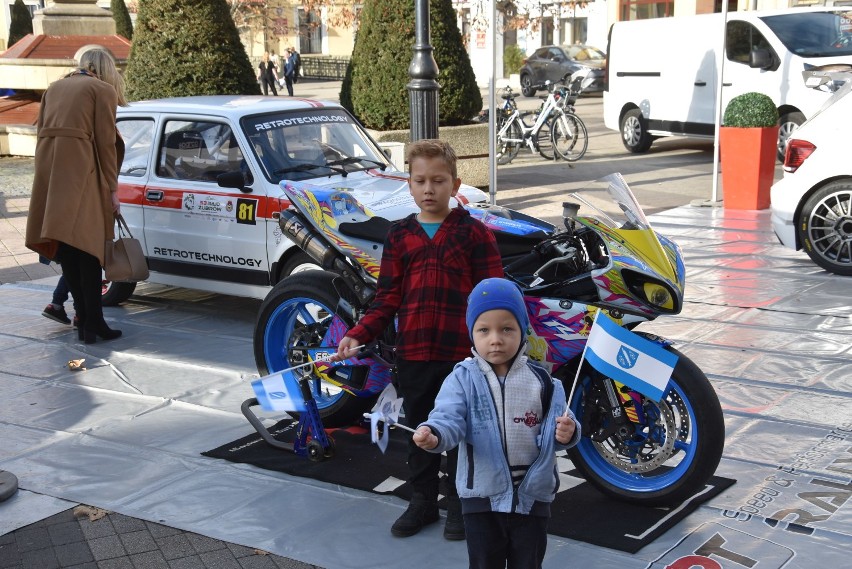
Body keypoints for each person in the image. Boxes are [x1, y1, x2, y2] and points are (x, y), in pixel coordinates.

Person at [334, 139, 504, 540]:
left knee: (464, 432)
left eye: (438, 181)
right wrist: (359, 333)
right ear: (408, 185)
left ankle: (462, 503)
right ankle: (423, 501)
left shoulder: (475, 234)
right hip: (413, 354)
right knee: (422, 431)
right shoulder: (400, 237)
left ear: (455, 184)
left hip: (462, 358)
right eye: (420, 181)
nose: (430, 189)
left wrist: (495, 347)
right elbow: (387, 297)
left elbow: (494, 296)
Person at [413, 278, 580, 569]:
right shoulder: (462, 379)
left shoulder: (544, 382)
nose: (496, 339)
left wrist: (568, 432)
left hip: (532, 498)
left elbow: (558, 429)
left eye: (507, 328)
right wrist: (435, 434)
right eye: (484, 329)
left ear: (522, 331)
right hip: (482, 498)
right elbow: (448, 418)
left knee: (528, 564)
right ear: (471, 334)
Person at [26, 47, 127, 345]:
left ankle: (86, 320)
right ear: (107, 69)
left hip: (52, 176)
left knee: (68, 249)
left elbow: (41, 134)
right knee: (91, 250)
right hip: (85, 177)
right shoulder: (101, 90)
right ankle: (93, 324)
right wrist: (112, 189)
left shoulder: (53, 88)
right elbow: (106, 145)